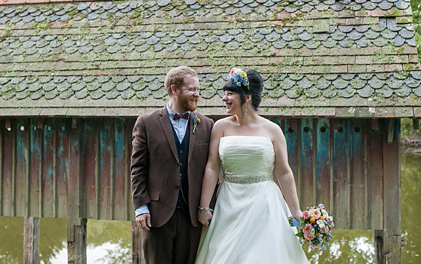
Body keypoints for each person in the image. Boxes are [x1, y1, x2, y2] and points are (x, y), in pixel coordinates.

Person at [195, 68, 309, 264]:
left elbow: (283, 172)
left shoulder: (273, 130)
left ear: (246, 98)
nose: (224, 98)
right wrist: (204, 207)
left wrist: (296, 211)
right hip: (229, 203)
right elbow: (212, 167)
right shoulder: (220, 127)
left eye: (230, 93)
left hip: (264, 203)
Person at [130, 66, 215, 264]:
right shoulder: (146, 123)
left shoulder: (207, 125)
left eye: (198, 90)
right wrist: (141, 207)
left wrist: (208, 206)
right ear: (175, 89)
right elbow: (137, 169)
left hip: (192, 216)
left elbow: (212, 170)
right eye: (192, 89)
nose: (197, 94)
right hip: (157, 215)